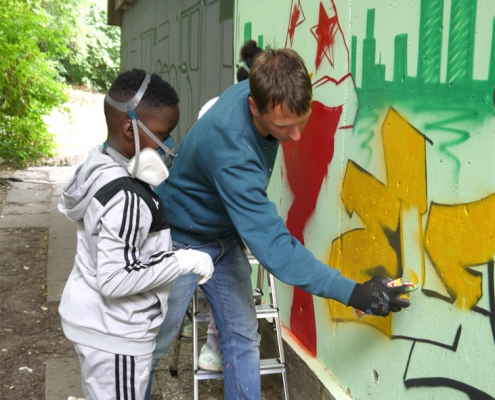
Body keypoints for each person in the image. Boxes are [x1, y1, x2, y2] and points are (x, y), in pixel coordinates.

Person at [148, 48, 411, 399]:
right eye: (284, 127)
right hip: (181, 238)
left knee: (243, 338)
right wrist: (354, 293)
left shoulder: (265, 86)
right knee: (153, 343)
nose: (296, 135)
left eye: (302, 120)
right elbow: (276, 250)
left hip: (223, 234)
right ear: (254, 106)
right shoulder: (233, 152)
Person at [57, 68, 214, 400]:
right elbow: (115, 279)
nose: (169, 147)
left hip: (95, 324)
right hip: (115, 335)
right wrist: (183, 261)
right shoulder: (127, 196)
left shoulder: (99, 164)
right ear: (130, 128)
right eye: (163, 134)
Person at [178, 39, 264, 373]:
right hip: (198, 224)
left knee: (239, 332)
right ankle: (207, 330)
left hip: (220, 223)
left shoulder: (227, 108)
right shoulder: (223, 120)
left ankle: (207, 327)